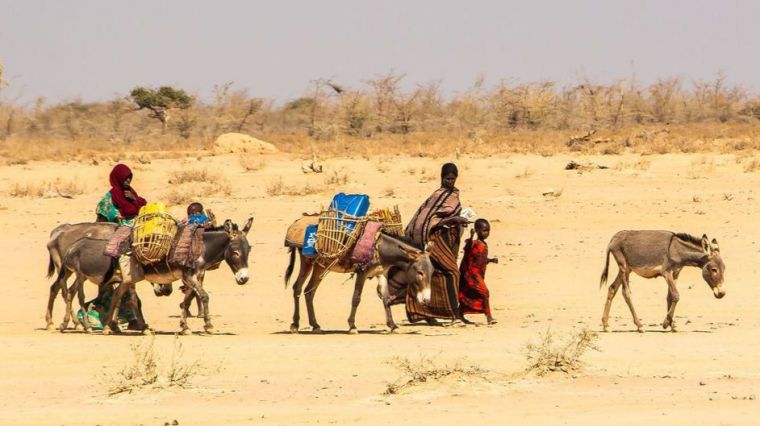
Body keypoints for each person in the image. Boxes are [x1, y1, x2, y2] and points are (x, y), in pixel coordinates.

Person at [402, 162, 469, 324]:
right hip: (431, 240)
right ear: (441, 177)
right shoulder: (438, 195)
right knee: (453, 273)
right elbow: (431, 219)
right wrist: (454, 219)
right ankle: (454, 314)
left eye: (453, 179)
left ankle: (429, 314)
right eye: (447, 179)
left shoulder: (453, 195)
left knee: (436, 275)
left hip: (443, 239)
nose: (450, 182)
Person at [459, 219, 498, 325]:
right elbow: (467, 250)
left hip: (478, 275)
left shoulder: (483, 244)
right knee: (484, 292)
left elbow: (480, 259)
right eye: (484, 230)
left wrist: (490, 260)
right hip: (471, 275)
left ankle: (459, 313)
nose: (486, 233)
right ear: (477, 230)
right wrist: (471, 236)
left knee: (468, 294)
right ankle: (489, 317)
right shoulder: (474, 243)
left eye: (488, 231)